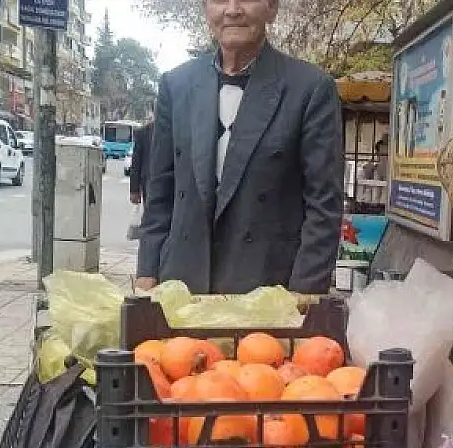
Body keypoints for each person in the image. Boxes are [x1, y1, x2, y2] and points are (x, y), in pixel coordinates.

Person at [135, 0, 344, 294]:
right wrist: (147, 270)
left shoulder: (310, 89)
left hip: (268, 292)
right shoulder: (176, 85)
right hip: (181, 287)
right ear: (206, 9)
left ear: (272, 8)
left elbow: (324, 206)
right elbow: (159, 190)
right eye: (219, 0)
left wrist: (303, 296)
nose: (232, 10)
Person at [127, 119, 154, 240]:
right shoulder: (143, 133)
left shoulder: (174, 128)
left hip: (170, 182)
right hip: (149, 182)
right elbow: (136, 163)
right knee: (150, 216)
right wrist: (134, 190)